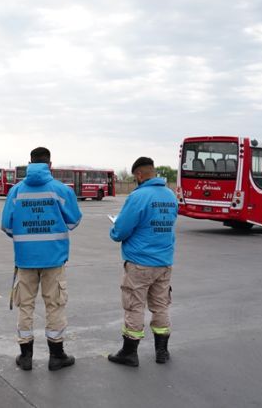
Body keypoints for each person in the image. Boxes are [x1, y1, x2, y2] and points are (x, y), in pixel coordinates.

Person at [1, 147, 82, 371]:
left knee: (25, 306)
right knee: (54, 305)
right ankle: (57, 356)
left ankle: (25, 356)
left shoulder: (16, 191)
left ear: (29, 163)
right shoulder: (60, 190)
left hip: (25, 260)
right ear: (50, 164)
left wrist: (25, 238)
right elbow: (74, 221)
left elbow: (6, 225)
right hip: (54, 259)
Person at [108, 157, 178, 367]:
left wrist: (114, 228)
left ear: (139, 175)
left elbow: (120, 231)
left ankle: (129, 353)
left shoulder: (138, 197)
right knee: (161, 306)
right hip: (164, 262)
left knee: (134, 306)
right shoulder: (170, 195)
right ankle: (162, 352)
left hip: (140, 262)